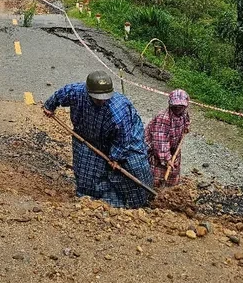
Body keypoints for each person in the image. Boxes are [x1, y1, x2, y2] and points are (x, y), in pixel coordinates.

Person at [43, 71, 153, 208]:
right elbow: (60, 94)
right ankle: (90, 202)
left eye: (105, 98)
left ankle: (138, 203)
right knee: (87, 172)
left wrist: (116, 157)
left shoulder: (118, 110)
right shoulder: (76, 92)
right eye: (97, 98)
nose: (101, 100)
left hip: (127, 141)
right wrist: (49, 106)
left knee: (134, 169)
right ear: (88, 92)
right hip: (87, 137)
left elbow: (123, 137)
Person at [145, 89, 190, 187]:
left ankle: (170, 190)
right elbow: (160, 143)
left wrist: (186, 127)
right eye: (176, 106)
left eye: (181, 106)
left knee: (173, 171)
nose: (178, 108)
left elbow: (186, 120)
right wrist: (167, 158)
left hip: (173, 148)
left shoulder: (183, 113)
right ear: (170, 104)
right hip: (157, 150)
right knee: (157, 175)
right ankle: (154, 193)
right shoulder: (164, 118)